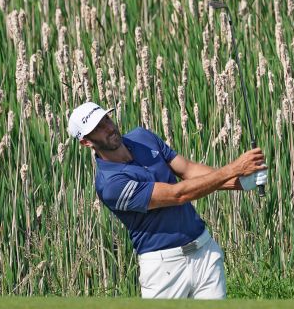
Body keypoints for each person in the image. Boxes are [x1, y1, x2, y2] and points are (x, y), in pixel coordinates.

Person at [67, 101, 267, 299]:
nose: (109, 128)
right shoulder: (110, 184)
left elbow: (188, 170)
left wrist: (238, 182)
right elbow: (177, 195)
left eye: (107, 119)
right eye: (99, 128)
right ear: (86, 142)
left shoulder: (142, 137)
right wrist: (233, 169)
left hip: (204, 252)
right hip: (164, 268)